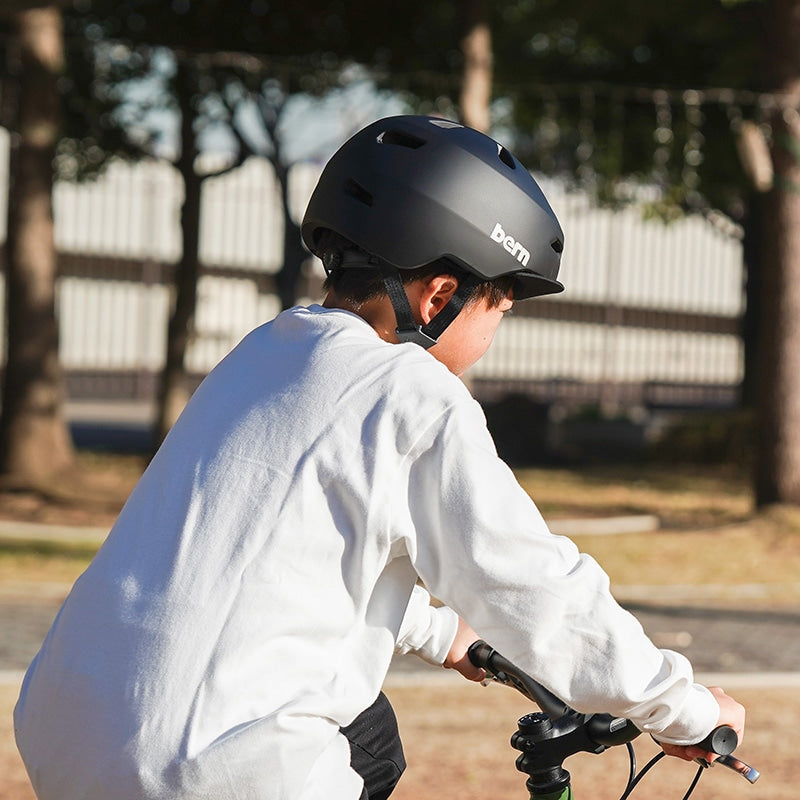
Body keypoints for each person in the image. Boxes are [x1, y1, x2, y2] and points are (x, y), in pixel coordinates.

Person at [14, 115, 744, 800]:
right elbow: (533, 585)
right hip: (204, 768)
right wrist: (681, 706)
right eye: (500, 311)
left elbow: (258, 553)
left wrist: (436, 630)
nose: (494, 335)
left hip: (70, 728)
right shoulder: (410, 391)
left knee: (370, 733)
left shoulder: (267, 353)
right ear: (440, 297)